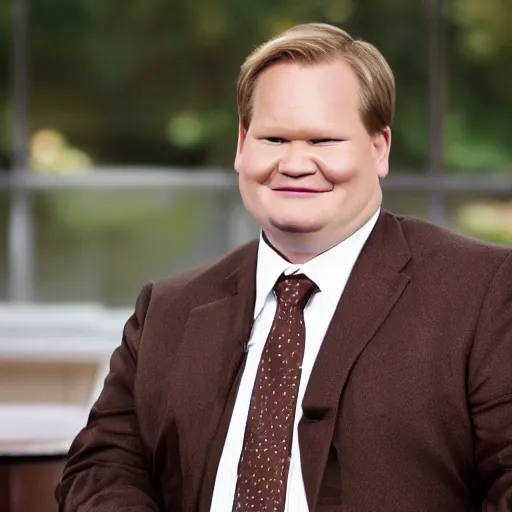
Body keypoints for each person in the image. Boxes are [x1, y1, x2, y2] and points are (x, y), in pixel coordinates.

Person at [56, 22, 512, 512]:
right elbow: (102, 468)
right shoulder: (166, 310)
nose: (294, 163)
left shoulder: (482, 292)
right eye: (273, 139)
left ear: (379, 148)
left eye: (322, 141)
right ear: (241, 145)